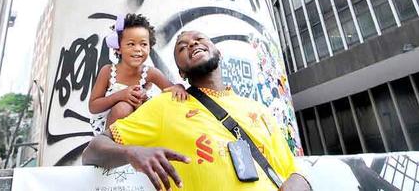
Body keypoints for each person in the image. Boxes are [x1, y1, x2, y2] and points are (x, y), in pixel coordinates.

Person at [82, 31, 312, 191]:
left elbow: (293, 171)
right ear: (181, 73)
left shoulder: (259, 111)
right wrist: (133, 153)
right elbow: (93, 151)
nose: (191, 44)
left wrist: (300, 181)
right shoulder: (165, 105)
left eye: (199, 39)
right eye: (182, 47)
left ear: (218, 52)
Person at [89, 13, 187, 134]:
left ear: (149, 47)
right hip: (109, 126)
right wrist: (121, 95)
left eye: (143, 44)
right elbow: (93, 106)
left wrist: (179, 87)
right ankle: (109, 149)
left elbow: (172, 89)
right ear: (118, 48)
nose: (138, 49)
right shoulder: (108, 71)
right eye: (131, 44)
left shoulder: (151, 73)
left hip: (138, 125)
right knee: (123, 107)